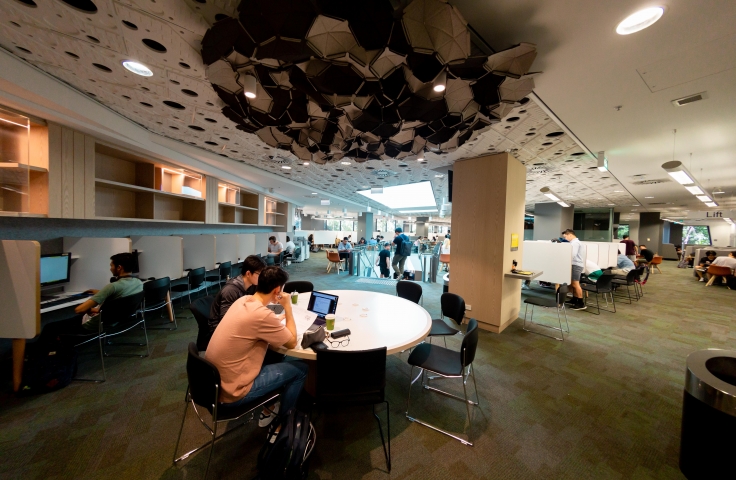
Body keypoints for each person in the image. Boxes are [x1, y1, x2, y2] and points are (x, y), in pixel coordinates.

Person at [205, 266, 308, 427]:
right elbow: (292, 342)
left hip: (213, 385)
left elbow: (255, 323)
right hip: (233, 393)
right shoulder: (261, 315)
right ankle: (283, 425)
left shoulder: (243, 300)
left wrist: (273, 320)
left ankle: (270, 408)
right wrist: (287, 308)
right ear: (277, 291)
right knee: (301, 369)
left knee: (275, 355)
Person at [40, 253, 143, 342]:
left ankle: (39, 357)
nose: (110, 268)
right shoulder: (138, 283)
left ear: (119, 267)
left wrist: (89, 309)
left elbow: (79, 310)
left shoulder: (113, 286)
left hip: (92, 326)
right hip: (114, 321)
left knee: (50, 327)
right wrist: (99, 296)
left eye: (111, 265)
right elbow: (119, 301)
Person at [209, 255, 266, 332]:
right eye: (260, 275)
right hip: (219, 329)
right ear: (248, 274)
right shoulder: (230, 290)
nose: (262, 278)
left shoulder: (253, 285)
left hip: (239, 322)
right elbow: (226, 321)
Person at [562, 229, 586, 310]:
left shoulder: (575, 243)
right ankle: (574, 299)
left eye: (565, 237)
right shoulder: (574, 242)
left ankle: (581, 303)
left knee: (576, 284)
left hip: (576, 265)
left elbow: (572, 254)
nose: (565, 239)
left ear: (570, 235)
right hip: (575, 264)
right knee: (572, 284)